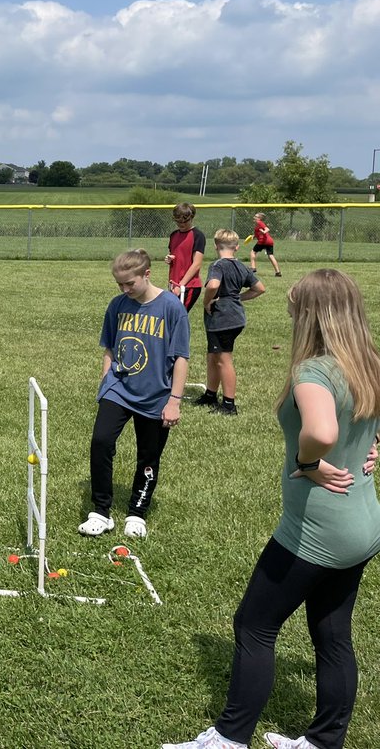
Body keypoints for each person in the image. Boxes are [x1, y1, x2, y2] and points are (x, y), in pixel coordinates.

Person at [163, 269, 380, 749]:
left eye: (295, 303)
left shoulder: (314, 372)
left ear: (312, 314)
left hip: (316, 531)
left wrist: (309, 460)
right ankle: (325, 742)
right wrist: (374, 443)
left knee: (254, 626)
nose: (289, 305)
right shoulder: (368, 360)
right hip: (363, 525)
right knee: (332, 634)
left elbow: (322, 431)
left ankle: (228, 739)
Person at [78, 249, 190, 540]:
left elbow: (181, 357)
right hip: (118, 388)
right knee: (101, 442)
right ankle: (101, 511)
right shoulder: (117, 305)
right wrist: (106, 382)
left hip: (156, 395)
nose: (125, 290)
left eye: (130, 283)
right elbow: (110, 347)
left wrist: (174, 401)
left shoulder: (171, 308)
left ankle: (136, 512)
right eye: (120, 285)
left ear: (147, 275)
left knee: (149, 455)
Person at [196, 230, 266, 416]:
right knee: (213, 356)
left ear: (215, 246)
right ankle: (210, 395)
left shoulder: (217, 265)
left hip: (223, 319)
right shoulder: (241, 266)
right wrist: (238, 297)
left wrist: (207, 301)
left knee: (223, 360)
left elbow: (213, 285)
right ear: (236, 247)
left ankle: (228, 404)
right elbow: (259, 288)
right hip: (234, 317)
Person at [164, 202, 206, 313]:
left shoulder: (198, 235)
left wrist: (180, 285)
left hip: (189, 285)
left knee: (178, 318)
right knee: (171, 318)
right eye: (178, 221)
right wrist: (170, 259)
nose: (181, 224)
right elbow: (177, 254)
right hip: (174, 284)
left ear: (192, 217)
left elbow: (196, 264)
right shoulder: (173, 235)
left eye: (185, 221)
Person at [250, 212, 282, 277]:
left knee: (253, 252)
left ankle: (253, 268)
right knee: (270, 255)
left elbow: (267, 229)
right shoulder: (257, 224)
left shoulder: (259, 222)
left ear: (259, 218)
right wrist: (254, 236)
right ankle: (278, 272)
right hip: (269, 241)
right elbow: (258, 232)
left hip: (263, 241)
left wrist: (264, 231)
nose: (254, 217)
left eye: (256, 216)